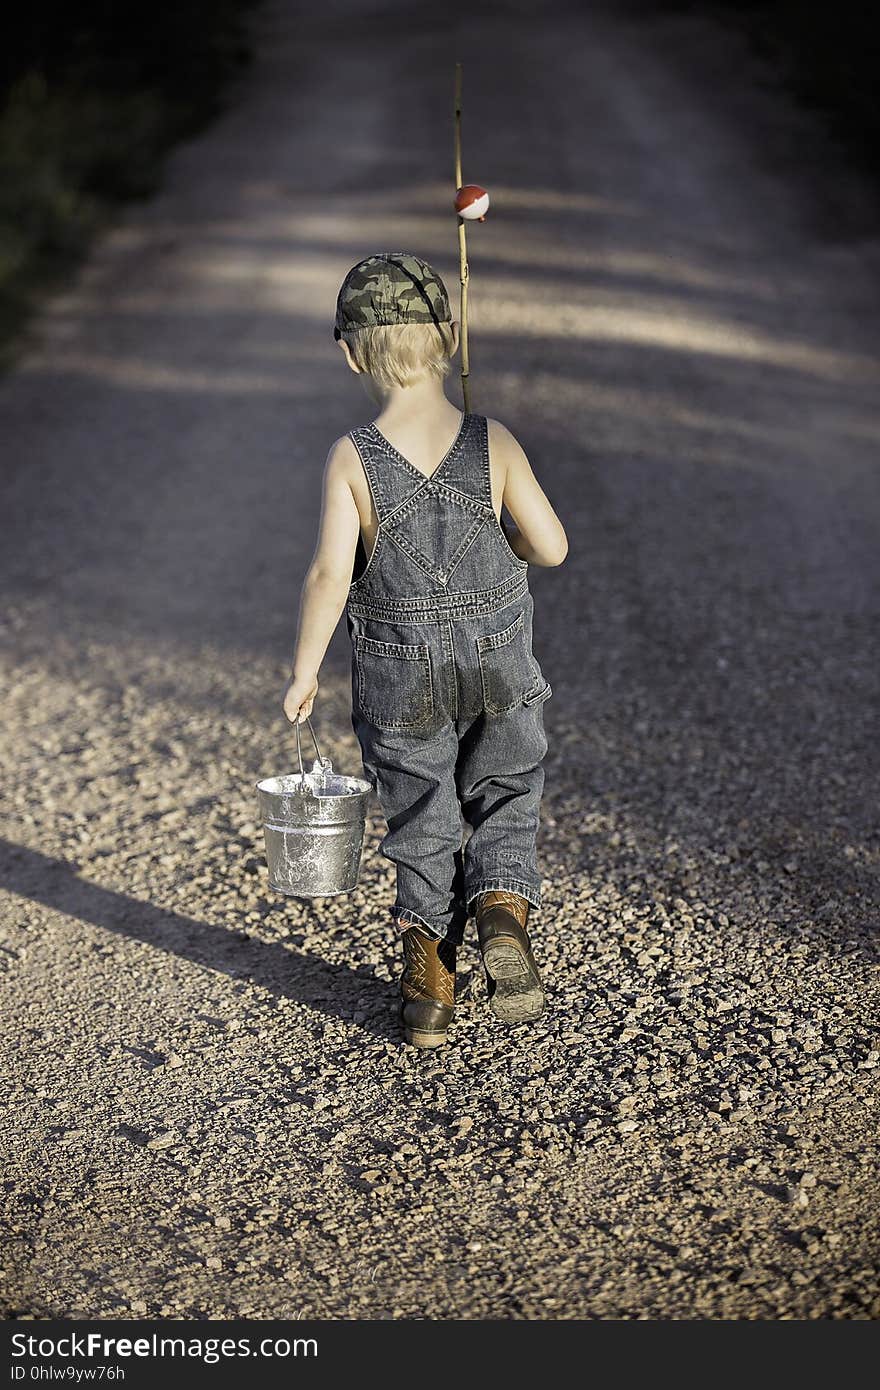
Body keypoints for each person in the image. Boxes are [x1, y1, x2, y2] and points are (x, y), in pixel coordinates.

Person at [282, 252, 567, 1048]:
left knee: (420, 810)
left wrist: (305, 671)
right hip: (499, 661)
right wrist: (496, 541)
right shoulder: (493, 439)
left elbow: (330, 574)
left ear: (349, 352)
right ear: (450, 336)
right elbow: (552, 547)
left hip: (399, 671)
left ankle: (429, 987)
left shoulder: (352, 455)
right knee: (507, 783)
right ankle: (502, 909)